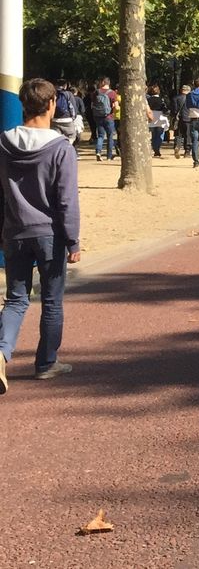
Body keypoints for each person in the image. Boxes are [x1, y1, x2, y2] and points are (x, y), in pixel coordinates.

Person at [0, 78, 82, 392]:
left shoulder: (3, 143)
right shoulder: (61, 148)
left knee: (15, 299)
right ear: (51, 104)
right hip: (50, 233)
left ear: (23, 105)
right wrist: (73, 240)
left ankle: (1, 351)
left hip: (15, 230)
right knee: (51, 300)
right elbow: (66, 199)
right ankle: (46, 362)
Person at [91, 77, 117, 162]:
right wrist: (113, 113)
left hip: (98, 116)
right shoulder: (112, 93)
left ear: (102, 82)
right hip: (109, 117)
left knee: (100, 135)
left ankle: (98, 152)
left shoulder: (96, 92)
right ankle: (109, 156)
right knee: (110, 136)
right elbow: (116, 106)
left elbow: (92, 104)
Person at [146, 83, 170, 158]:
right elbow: (167, 108)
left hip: (151, 116)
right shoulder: (162, 99)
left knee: (153, 135)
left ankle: (155, 148)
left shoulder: (148, 100)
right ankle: (157, 149)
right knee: (160, 135)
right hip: (160, 117)